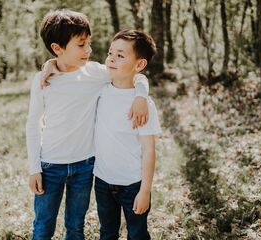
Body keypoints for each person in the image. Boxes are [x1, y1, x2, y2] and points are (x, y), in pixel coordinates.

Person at [26, 10, 150, 240]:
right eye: (81, 44)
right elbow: (33, 124)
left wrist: (141, 95)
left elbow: (135, 74)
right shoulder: (44, 80)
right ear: (57, 48)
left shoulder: (95, 73)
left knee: (75, 226)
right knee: (43, 226)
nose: (89, 50)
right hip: (50, 166)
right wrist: (34, 167)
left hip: (85, 166)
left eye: (89, 43)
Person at [93, 30, 162, 240]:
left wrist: (145, 191)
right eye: (110, 53)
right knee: (107, 233)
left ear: (139, 64)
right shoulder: (100, 89)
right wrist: (50, 64)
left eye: (120, 56)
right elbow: (74, 70)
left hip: (133, 184)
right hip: (103, 181)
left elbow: (149, 149)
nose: (111, 59)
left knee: (137, 234)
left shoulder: (142, 105)